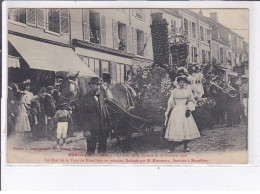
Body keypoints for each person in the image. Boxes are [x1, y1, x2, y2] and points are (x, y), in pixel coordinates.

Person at [164, 76, 201, 152]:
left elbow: (191, 101)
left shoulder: (187, 91)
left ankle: (186, 146)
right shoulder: (174, 91)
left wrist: (189, 108)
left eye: (184, 82)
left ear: (186, 83)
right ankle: (172, 148)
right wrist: (168, 110)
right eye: (181, 82)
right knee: (175, 127)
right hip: (176, 110)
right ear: (178, 83)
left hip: (185, 110)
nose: (182, 84)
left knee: (185, 128)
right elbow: (170, 101)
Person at [82, 77, 111, 154]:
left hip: (102, 130)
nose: (93, 86)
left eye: (95, 85)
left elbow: (105, 113)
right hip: (92, 130)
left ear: (99, 86)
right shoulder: (85, 98)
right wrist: (86, 129)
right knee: (90, 151)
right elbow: (83, 115)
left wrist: (109, 126)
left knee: (102, 150)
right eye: (92, 85)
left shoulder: (101, 98)